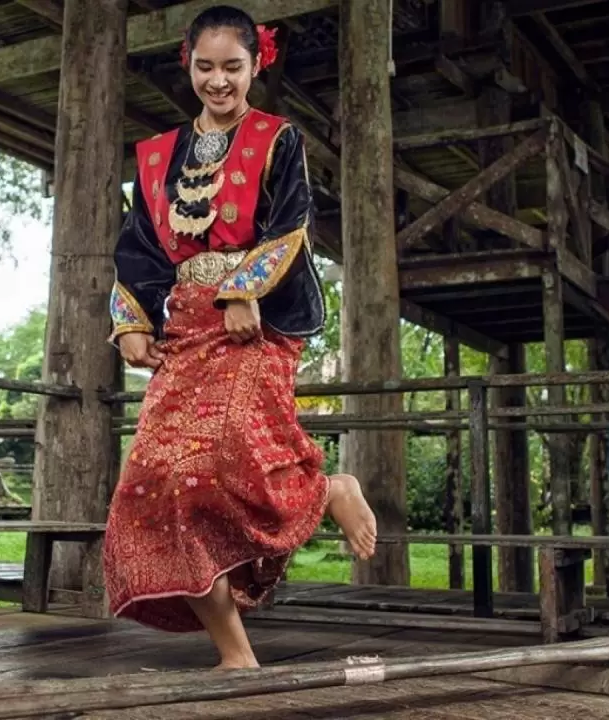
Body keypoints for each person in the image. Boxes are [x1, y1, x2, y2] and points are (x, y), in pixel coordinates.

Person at [102, 5, 377, 670]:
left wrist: (242, 290)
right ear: (187, 65)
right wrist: (131, 321)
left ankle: (329, 488)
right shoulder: (159, 156)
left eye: (233, 66)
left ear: (257, 65)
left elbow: (289, 227)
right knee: (154, 484)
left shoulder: (278, 141)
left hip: (256, 320)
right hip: (185, 327)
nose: (218, 80)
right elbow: (139, 248)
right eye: (205, 66)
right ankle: (236, 655)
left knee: (222, 463)